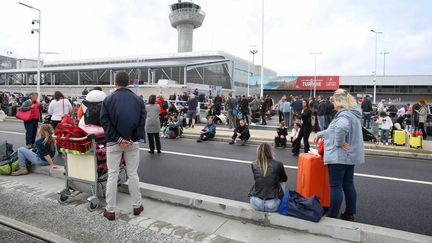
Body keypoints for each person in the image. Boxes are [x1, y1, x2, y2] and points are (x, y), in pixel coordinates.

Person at [100, 71, 146, 221]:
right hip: (132, 143)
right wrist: (131, 139)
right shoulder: (138, 100)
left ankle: (110, 210)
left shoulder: (108, 100)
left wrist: (119, 139)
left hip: (114, 143)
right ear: (129, 83)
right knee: (132, 174)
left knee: (112, 174)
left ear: (115, 83)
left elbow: (105, 123)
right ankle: (137, 205)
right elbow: (141, 122)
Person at [314, 88, 364, 221]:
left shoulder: (343, 115)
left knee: (335, 186)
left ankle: (332, 214)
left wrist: (339, 142)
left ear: (339, 101)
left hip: (339, 156)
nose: (333, 104)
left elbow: (341, 128)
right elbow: (333, 129)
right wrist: (320, 134)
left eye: (334, 101)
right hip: (349, 156)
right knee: (348, 184)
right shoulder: (352, 114)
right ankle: (349, 213)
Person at [249, 143, 288, 212]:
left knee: (260, 179)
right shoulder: (278, 164)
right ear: (270, 151)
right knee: (282, 182)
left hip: (256, 204)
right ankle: (281, 199)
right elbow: (284, 179)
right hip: (272, 206)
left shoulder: (254, 163)